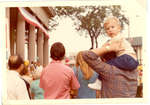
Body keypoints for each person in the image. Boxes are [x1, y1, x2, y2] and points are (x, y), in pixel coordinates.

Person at [88, 16, 139, 90]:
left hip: (127, 58)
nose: (110, 30)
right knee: (116, 67)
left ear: (119, 28)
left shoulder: (117, 38)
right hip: (133, 61)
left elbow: (106, 47)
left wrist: (98, 51)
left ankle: (99, 82)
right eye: (107, 29)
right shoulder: (118, 38)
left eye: (112, 27)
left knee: (107, 65)